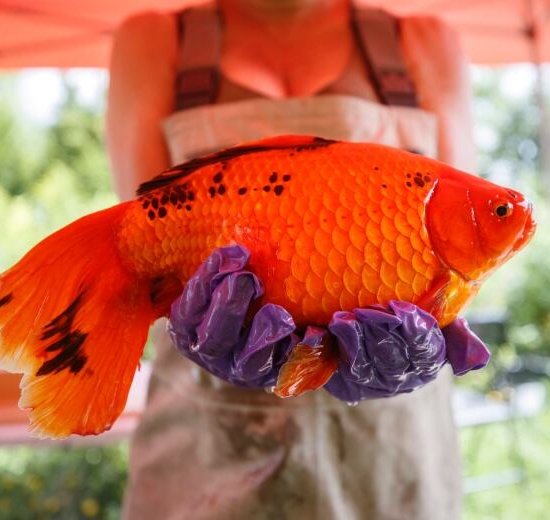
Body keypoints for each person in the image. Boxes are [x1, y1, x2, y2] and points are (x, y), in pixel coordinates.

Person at [106, 1, 479, 518]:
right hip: (206, 438)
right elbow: (136, 245)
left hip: (393, 445)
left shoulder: (427, 39)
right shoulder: (151, 39)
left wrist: (425, 341)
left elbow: (465, 253)